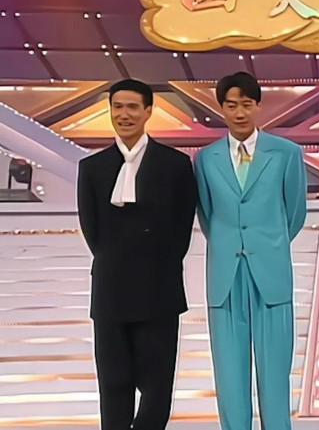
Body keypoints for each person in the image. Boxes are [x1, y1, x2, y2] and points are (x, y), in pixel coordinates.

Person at [77, 79, 197, 430]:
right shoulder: (92, 168)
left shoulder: (175, 165)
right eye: (117, 107)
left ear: (148, 111)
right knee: (113, 385)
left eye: (132, 107)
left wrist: (157, 266)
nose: (124, 114)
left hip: (159, 290)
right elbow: (93, 233)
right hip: (111, 292)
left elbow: (181, 231)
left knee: (157, 387)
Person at [194, 71, 307, 430]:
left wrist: (267, 243)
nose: (240, 112)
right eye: (231, 105)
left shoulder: (286, 153)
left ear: (258, 106)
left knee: (275, 377)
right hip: (225, 277)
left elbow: (295, 212)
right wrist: (232, 244)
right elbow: (207, 214)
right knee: (229, 378)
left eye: (246, 104)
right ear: (221, 108)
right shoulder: (205, 159)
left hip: (271, 274)